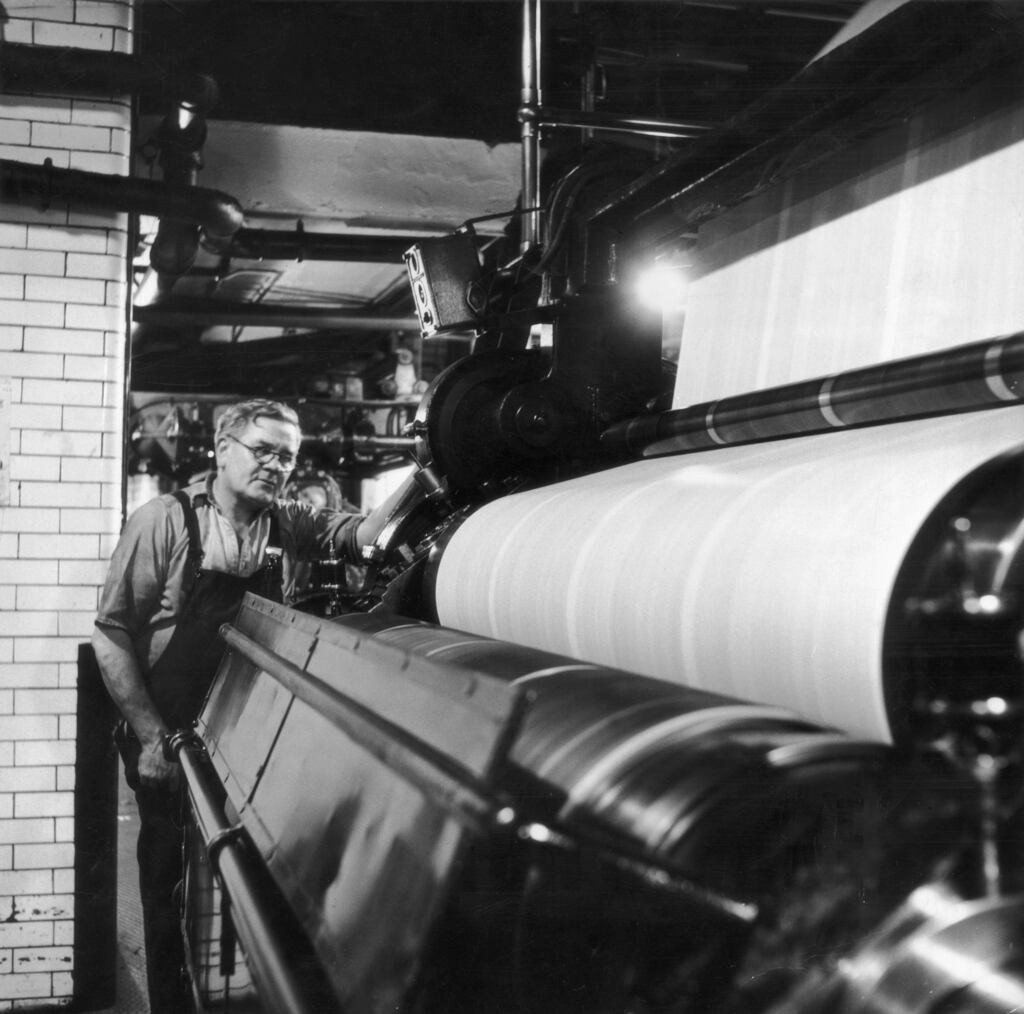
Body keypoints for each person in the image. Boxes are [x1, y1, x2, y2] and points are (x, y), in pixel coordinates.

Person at [91, 398, 387, 1014]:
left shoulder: (287, 521)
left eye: (288, 455)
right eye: (264, 450)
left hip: (245, 725)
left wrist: (422, 480)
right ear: (223, 449)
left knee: (241, 880)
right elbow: (112, 632)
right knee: (170, 880)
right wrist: (149, 738)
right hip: (167, 731)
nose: (277, 466)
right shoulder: (165, 521)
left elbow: (358, 535)